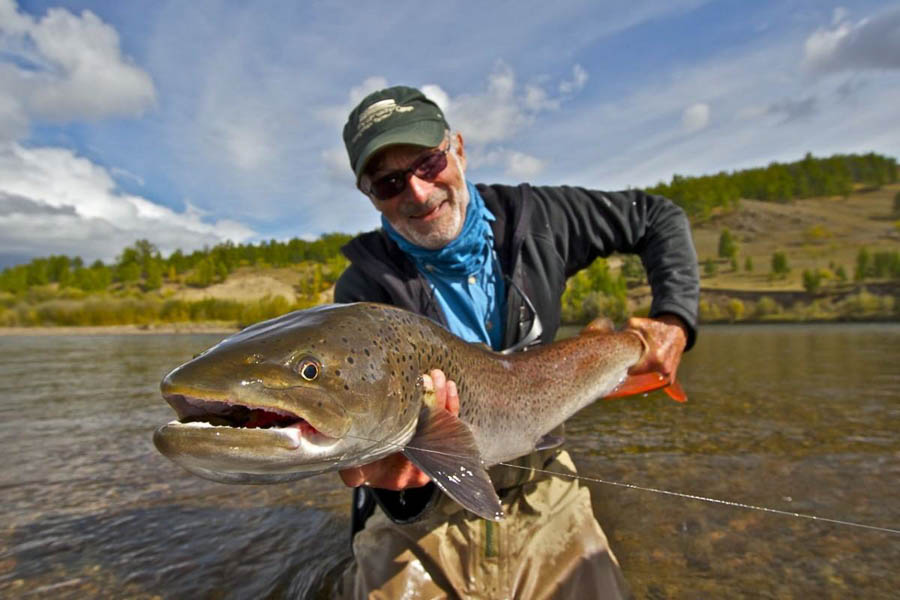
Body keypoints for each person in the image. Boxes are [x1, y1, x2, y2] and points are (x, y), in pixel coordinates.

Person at [333, 86, 699, 599]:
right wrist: (398, 492)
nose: (416, 192)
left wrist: (674, 319)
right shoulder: (363, 290)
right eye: (389, 182)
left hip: (540, 473)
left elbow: (658, 218)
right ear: (369, 195)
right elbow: (387, 471)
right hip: (432, 499)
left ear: (458, 149)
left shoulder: (539, 217)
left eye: (428, 163)